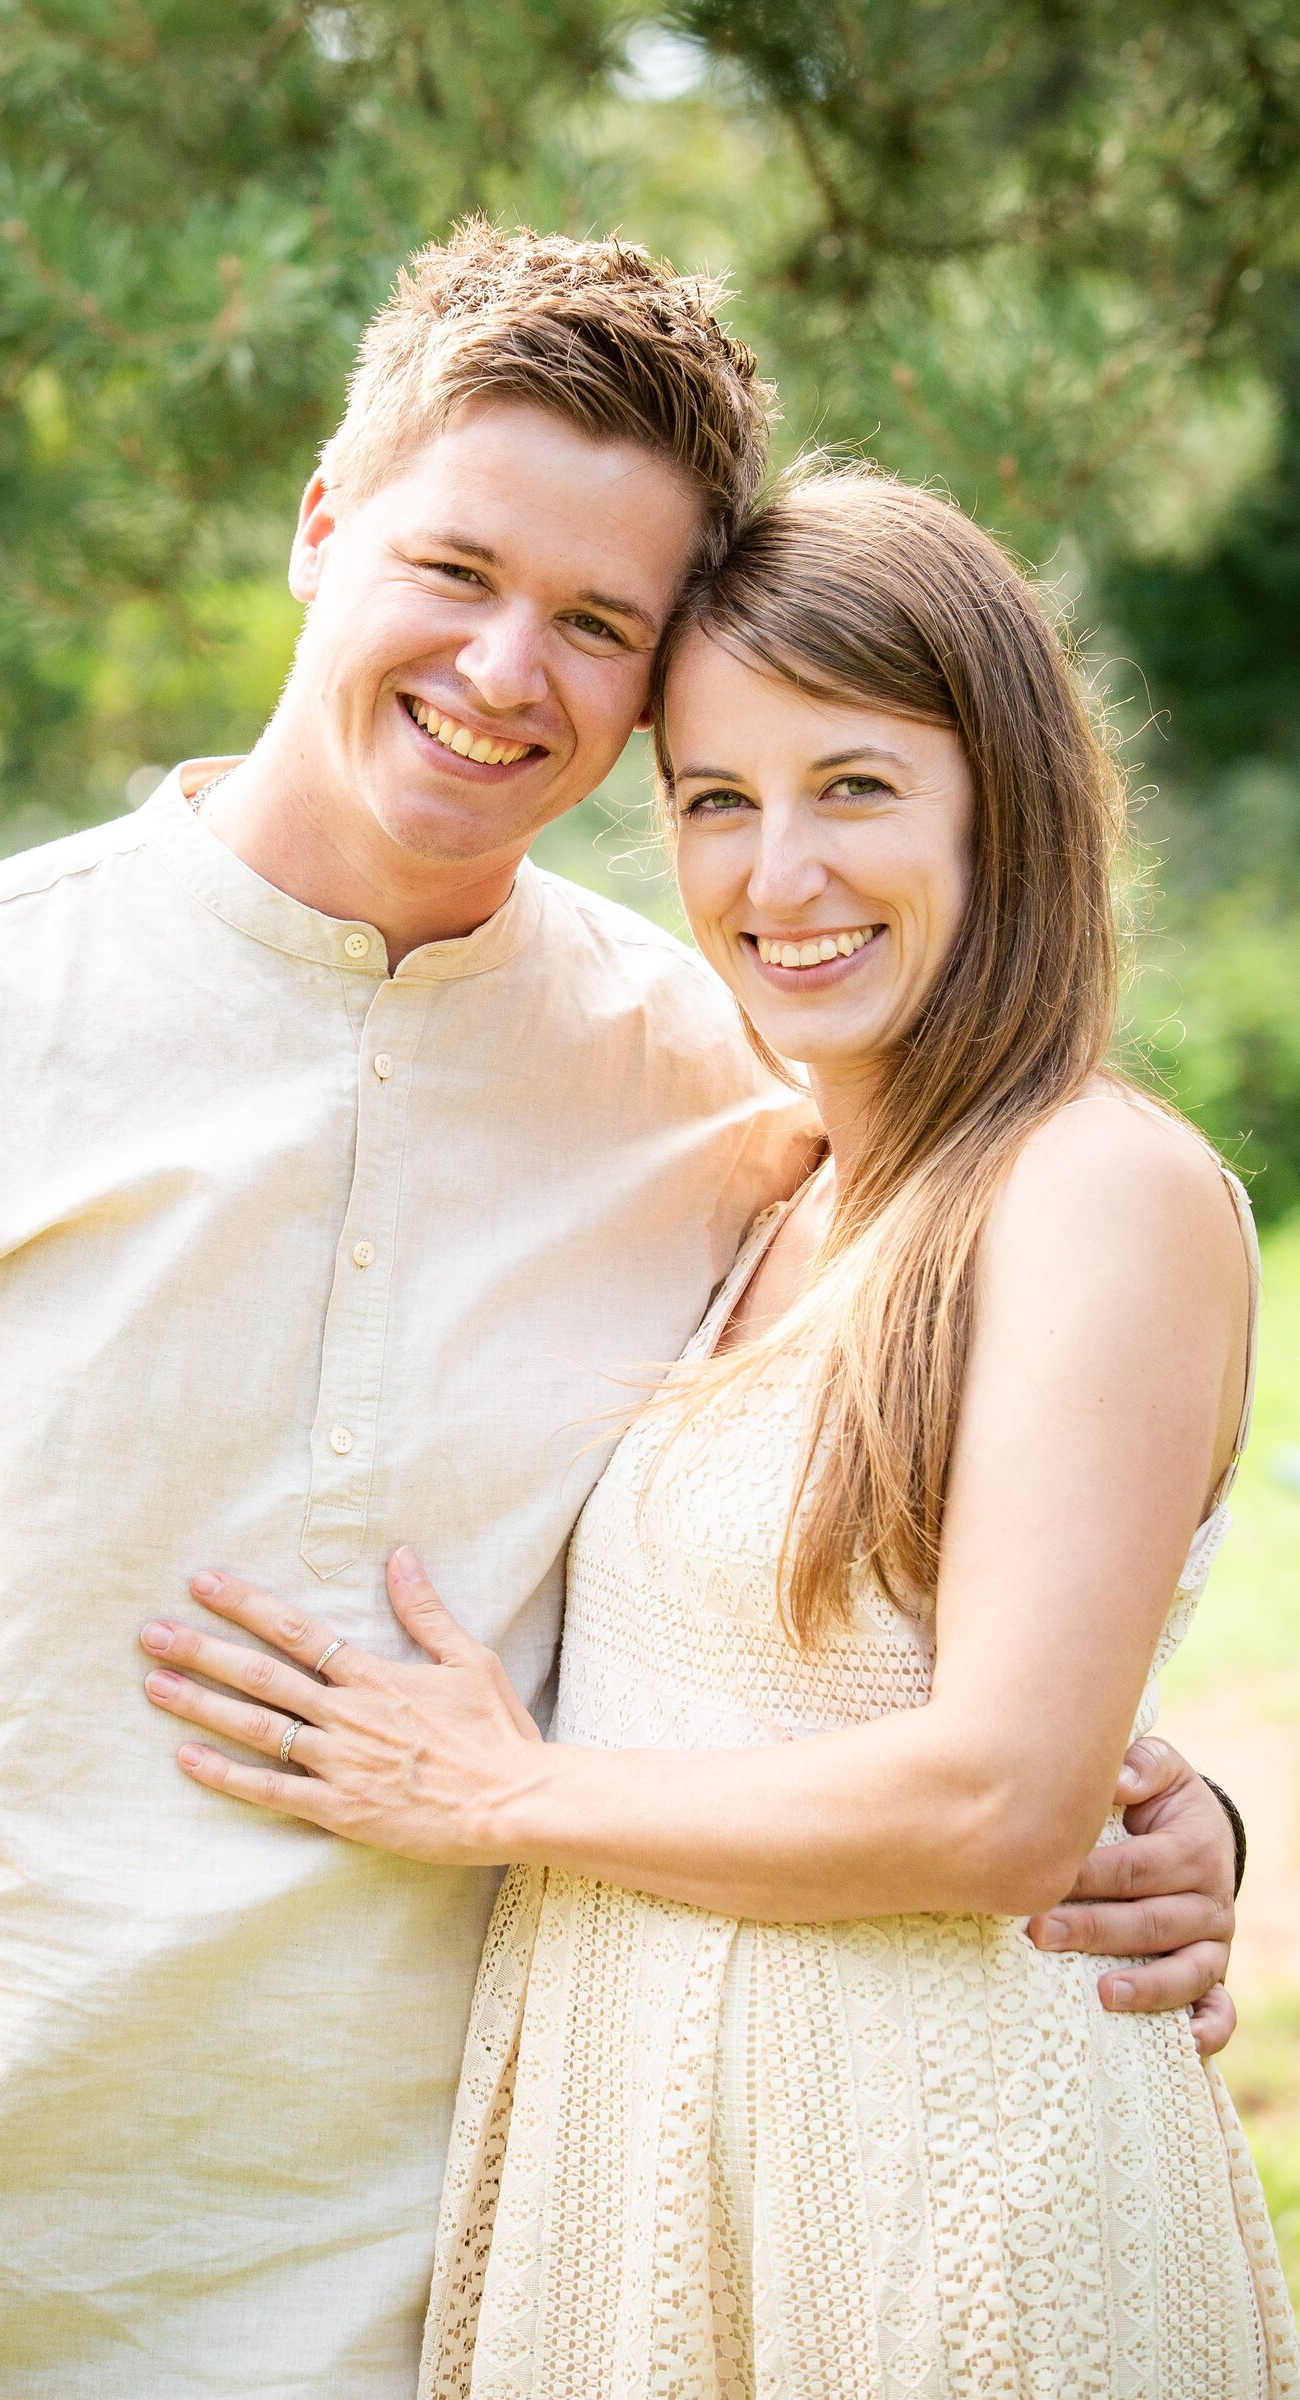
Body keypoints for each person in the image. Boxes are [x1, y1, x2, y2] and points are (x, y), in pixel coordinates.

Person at [0, 231, 1240, 2400]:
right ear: (322, 524)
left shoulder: (705, 1086)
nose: (507, 669)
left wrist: (1148, 1804)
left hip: (482, 2307)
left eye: (596, 625)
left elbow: (906, 1602)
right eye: (455, 569)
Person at [136, 466, 1296, 2396]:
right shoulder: (785, 1194)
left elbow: (1004, 1802)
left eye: (854, 786)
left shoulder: (1093, 1184)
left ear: (1002, 800)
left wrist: (496, 1796)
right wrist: (1187, 1811)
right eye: (714, 802)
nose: (778, 878)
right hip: (673, 2165)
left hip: (938, 2196)